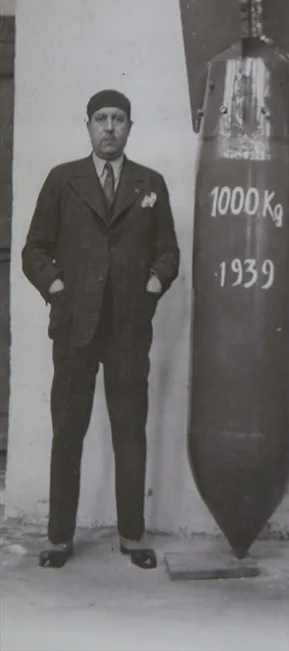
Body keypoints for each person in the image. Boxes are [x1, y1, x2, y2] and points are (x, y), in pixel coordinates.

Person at [22, 89, 180, 569]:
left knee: (129, 431)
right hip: (75, 329)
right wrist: (57, 290)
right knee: (68, 431)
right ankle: (59, 539)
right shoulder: (62, 180)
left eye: (119, 119)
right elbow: (34, 250)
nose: (110, 127)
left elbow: (168, 252)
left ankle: (132, 536)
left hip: (129, 330)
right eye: (101, 119)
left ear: (130, 127)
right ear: (88, 126)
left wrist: (152, 286)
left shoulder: (150, 183)